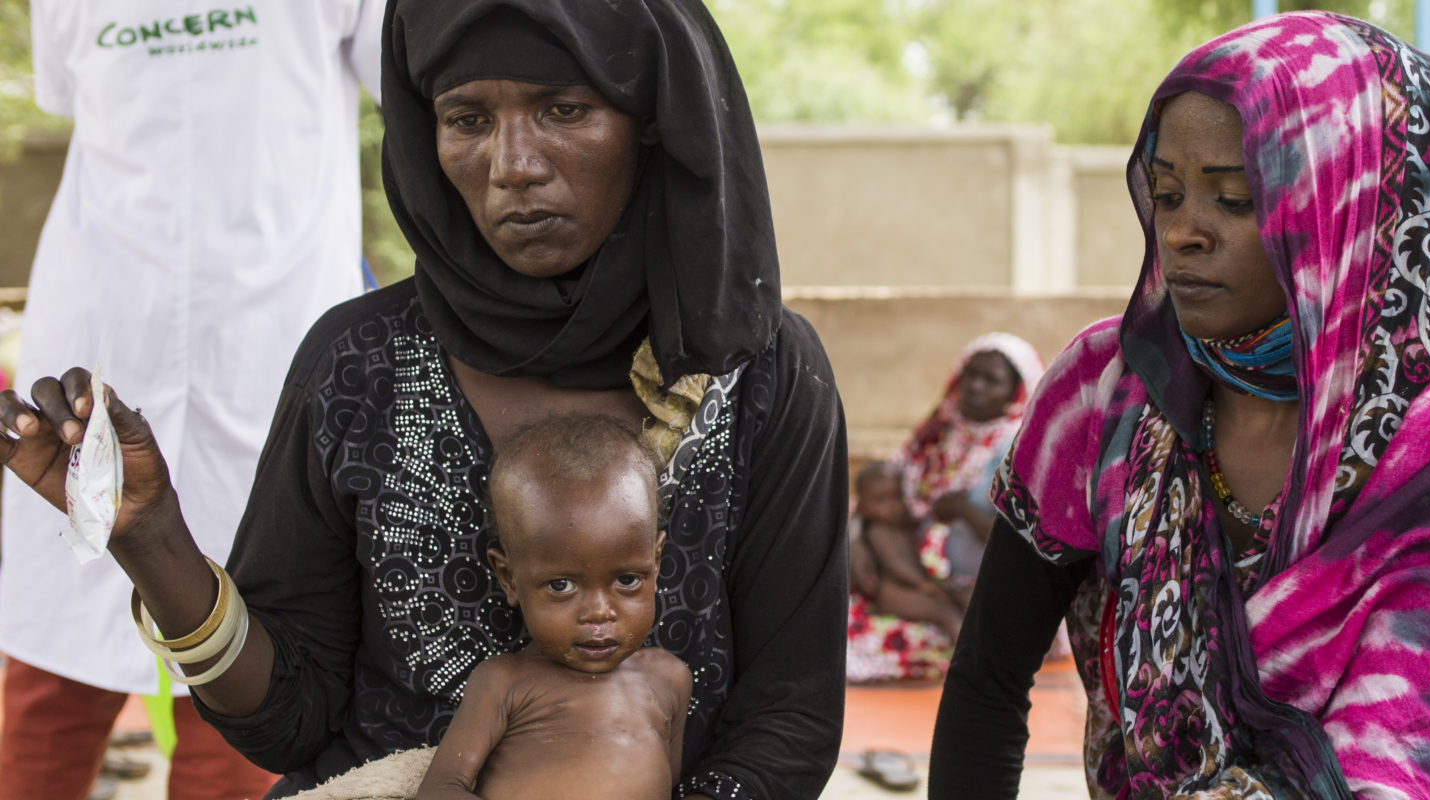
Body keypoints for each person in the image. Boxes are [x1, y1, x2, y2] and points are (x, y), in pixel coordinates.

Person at [0, 2, 850, 799]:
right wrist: (153, 540)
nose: (513, 165)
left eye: (564, 109)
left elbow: (788, 721)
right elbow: (289, 722)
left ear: (654, 121)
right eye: (468, 119)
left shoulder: (761, 372)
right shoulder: (357, 362)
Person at [930, 11, 1430, 799]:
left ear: (1349, 214)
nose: (1184, 233)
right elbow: (988, 678)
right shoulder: (1109, 391)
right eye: (1166, 194)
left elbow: (1413, 764)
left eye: (1234, 199)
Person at [0, 3, 381, 799]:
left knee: (261, 653)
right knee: (56, 666)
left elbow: (410, 72)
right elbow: (71, 95)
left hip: (273, 340)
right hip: (102, 336)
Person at [416, 415, 691, 800]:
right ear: (509, 578)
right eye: (561, 585)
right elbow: (441, 789)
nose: (598, 613)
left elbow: (670, 785)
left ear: (656, 561)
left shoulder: (669, 680)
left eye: (627, 580)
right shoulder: (504, 683)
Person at [844, 333, 1042, 683]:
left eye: (991, 380)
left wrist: (963, 510)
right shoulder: (939, 429)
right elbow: (878, 493)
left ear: (1016, 391)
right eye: (971, 374)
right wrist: (857, 536)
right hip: (917, 574)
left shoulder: (1020, 446)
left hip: (983, 582)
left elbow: (1026, 536)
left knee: (961, 628)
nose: (976, 387)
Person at [848, 461, 964, 640]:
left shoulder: (898, 525)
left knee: (960, 598)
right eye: (881, 500)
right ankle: (967, 656)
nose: (893, 506)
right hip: (894, 593)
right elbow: (894, 562)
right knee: (944, 612)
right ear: (861, 505)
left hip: (912, 585)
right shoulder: (878, 531)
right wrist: (921, 583)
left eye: (898, 496)